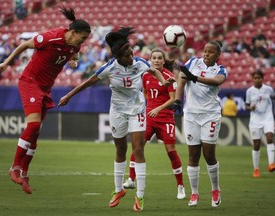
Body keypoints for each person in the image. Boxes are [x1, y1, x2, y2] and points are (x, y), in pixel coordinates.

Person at [58, 27, 175, 211]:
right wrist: (68, 96)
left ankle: (140, 196)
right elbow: (88, 82)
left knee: (138, 149)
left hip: (137, 110)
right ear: (119, 57)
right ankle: (118, 190)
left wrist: (163, 81)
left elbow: (153, 71)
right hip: (118, 111)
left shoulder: (139, 62)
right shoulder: (110, 68)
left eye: (132, 53)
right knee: (120, 148)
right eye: (128, 55)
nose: (132, 57)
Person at [0, 6, 91, 194]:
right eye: (82, 37)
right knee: (32, 126)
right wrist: (7, 62)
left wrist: (74, 59)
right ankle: (14, 167)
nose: (84, 41)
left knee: (36, 133)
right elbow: (24, 45)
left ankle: (24, 173)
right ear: (73, 32)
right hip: (30, 82)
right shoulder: (50, 37)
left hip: (45, 88)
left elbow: (76, 52)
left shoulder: (75, 44)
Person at [122, 48, 186, 200]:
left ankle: (180, 186)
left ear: (163, 61)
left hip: (165, 118)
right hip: (150, 116)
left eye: (159, 58)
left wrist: (158, 108)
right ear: (150, 60)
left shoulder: (170, 77)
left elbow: (173, 98)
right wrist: (150, 107)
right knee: (138, 146)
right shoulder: (146, 76)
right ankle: (131, 179)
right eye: (154, 58)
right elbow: (145, 92)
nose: (156, 60)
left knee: (170, 150)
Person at [171, 41, 227, 208]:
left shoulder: (220, 70)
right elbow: (181, 80)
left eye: (210, 52)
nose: (206, 54)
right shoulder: (193, 62)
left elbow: (216, 81)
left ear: (218, 55)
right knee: (193, 155)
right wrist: (178, 100)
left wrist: (194, 77)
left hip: (210, 115)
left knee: (209, 154)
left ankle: (215, 189)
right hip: (191, 115)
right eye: (205, 51)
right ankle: (194, 193)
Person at [245, 69, 275, 178]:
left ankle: (271, 164)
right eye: (255, 78)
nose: (257, 80)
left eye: (259, 78)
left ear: (263, 78)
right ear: (253, 79)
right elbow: (246, 106)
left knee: (270, 138)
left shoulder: (268, 89)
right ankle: (256, 169)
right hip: (255, 120)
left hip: (268, 118)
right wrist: (250, 108)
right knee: (256, 144)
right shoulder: (249, 91)